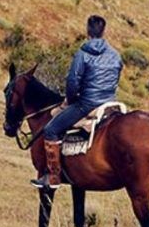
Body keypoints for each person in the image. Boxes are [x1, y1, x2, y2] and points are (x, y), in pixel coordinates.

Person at [33, 14, 123, 188]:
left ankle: (53, 176)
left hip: (87, 103)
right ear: (104, 31)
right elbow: (116, 77)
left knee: (51, 129)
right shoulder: (115, 55)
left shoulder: (83, 53)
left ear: (87, 30)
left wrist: (71, 100)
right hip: (109, 103)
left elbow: (73, 81)